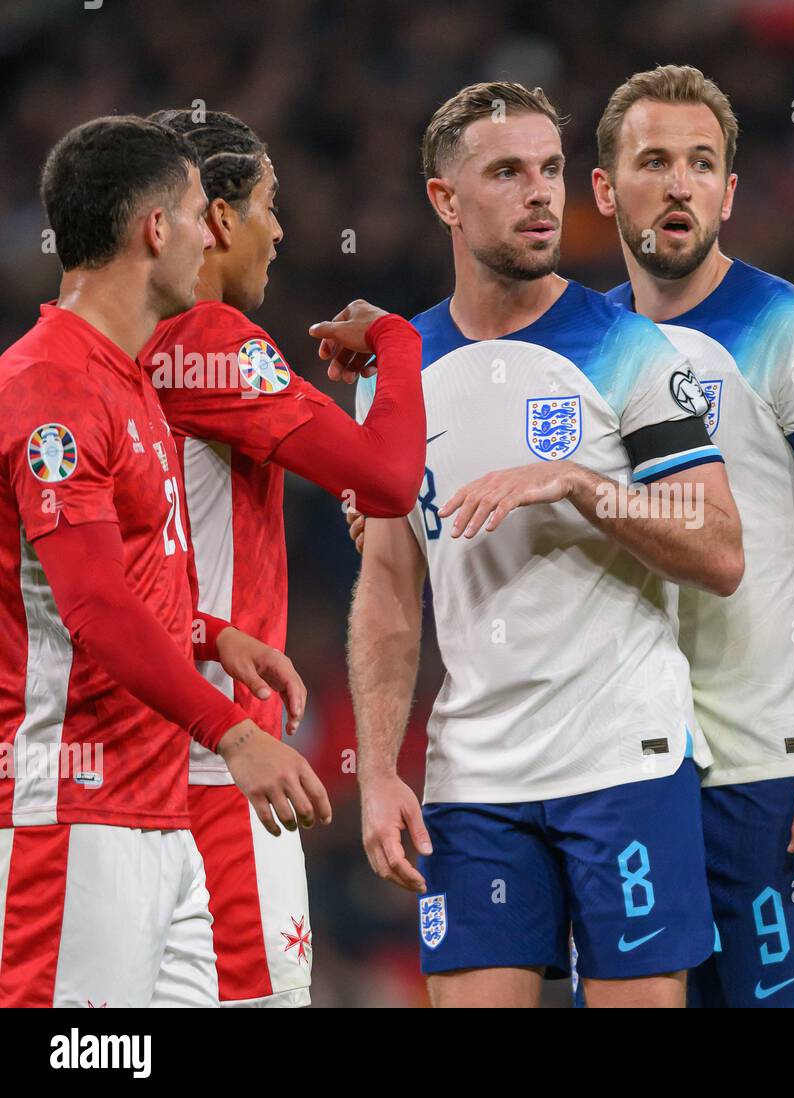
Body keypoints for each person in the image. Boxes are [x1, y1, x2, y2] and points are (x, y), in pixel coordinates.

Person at [348, 82, 745, 1008]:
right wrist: (375, 774)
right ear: (446, 200)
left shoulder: (630, 350)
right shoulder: (397, 374)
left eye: (551, 170)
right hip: (473, 778)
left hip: (623, 762)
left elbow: (721, 547)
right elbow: (390, 591)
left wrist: (580, 486)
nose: (539, 194)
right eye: (508, 173)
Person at [0, 115, 329, 1008]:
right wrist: (234, 730)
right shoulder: (51, 389)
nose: (207, 235)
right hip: (72, 809)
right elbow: (95, 608)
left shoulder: (131, 379)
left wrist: (211, 633)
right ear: (154, 230)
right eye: (195, 213)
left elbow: (131, 585)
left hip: (161, 811)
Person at [592, 64, 794, 1007]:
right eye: (652, 162)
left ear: (729, 191)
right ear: (604, 189)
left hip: (769, 768)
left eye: (701, 164)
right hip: (621, 769)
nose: (677, 184)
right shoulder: (582, 343)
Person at [138, 109, 425, 1006]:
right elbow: (387, 479)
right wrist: (396, 344)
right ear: (216, 219)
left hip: (113, 755)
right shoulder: (214, 341)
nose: (281, 229)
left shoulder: (101, 347)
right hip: (218, 757)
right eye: (268, 203)